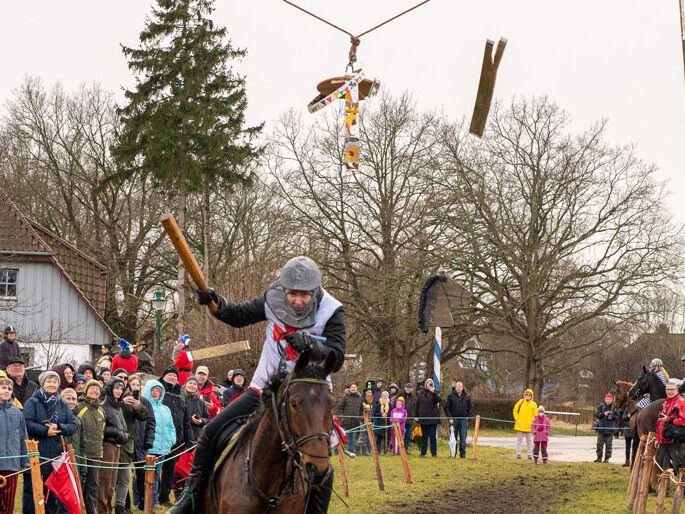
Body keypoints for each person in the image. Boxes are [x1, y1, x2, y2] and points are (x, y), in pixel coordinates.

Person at [169, 256, 346, 514]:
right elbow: (239, 315)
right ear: (284, 290)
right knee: (210, 433)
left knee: (321, 461)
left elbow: (338, 356)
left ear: (315, 292)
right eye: (293, 294)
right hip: (265, 388)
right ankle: (190, 499)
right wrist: (215, 303)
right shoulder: (272, 299)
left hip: (308, 394)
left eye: (304, 296)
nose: (298, 301)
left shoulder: (332, 310)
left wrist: (311, 345)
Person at [22, 370, 77, 514]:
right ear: (43, 383)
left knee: (51, 493)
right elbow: (26, 423)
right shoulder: (33, 402)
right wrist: (45, 431)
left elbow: (73, 424)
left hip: (55, 455)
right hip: (35, 453)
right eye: (49, 381)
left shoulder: (62, 404)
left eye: (55, 382)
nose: (52, 384)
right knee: (30, 491)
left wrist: (59, 427)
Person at [114, 370, 149, 514]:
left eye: (125, 379)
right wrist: (121, 403)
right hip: (113, 443)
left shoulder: (131, 399)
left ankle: (123, 507)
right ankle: (120, 505)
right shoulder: (110, 398)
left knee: (125, 478)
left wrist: (137, 405)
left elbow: (144, 415)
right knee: (114, 479)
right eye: (120, 378)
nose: (123, 380)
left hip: (128, 443)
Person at [98, 377, 130, 514]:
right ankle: (102, 510)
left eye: (121, 388)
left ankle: (108, 509)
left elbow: (123, 427)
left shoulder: (118, 407)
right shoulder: (103, 406)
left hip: (118, 447)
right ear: (110, 389)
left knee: (112, 482)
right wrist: (117, 433)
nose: (119, 391)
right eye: (116, 388)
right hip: (107, 446)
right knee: (105, 481)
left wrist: (125, 435)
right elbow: (100, 428)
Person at [144, 379, 176, 509]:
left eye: (158, 391)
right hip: (150, 448)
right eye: (153, 390)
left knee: (157, 475)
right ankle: (143, 500)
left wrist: (171, 441)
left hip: (163, 448)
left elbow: (171, 428)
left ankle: (154, 500)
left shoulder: (166, 409)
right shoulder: (145, 407)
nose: (155, 393)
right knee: (146, 475)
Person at [175, 376, 209, 496]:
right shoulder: (180, 398)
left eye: (195, 384)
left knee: (191, 469)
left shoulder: (200, 402)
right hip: (182, 438)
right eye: (190, 383)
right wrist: (189, 419)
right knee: (178, 470)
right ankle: (176, 494)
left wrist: (201, 422)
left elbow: (207, 418)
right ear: (186, 384)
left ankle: (189, 494)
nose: (192, 386)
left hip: (196, 438)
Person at [76, 380, 106, 514]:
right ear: (86, 390)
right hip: (81, 454)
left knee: (93, 486)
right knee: (80, 485)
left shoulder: (101, 411)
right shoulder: (79, 407)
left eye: (97, 389)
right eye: (92, 388)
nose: (95, 391)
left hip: (96, 454)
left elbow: (102, 432)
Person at [0, 377, 29, 514]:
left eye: (9, 389)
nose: (7, 391)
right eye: (3, 388)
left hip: (12, 463)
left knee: (8, 502)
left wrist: (25, 460)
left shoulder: (17, 412)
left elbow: (23, 437)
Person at [159, 366, 186, 507]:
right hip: (161, 439)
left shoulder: (181, 393)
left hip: (176, 440)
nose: (172, 377)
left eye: (174, 375)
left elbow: (184, 416)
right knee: (157, 470)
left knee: (170, 471)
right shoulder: (159, 390)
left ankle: (164, 497)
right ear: (163, 377)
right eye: (169, 375)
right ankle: (151, 497)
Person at [133, 375, 156, 511]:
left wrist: (149, 440)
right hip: (128, 443)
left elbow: (151, 422)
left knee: (143, 475)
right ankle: (126, 504)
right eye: (133, 385)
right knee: (123, 476)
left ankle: (144, 502)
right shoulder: (125, 400)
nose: (135, 388)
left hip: (142, 443)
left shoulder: (146, 402)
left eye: (137, 385)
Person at [656, 379, 685, 476]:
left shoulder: (681, 402)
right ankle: (663, 491)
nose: (670, 392)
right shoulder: (665, 403)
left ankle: (682, 489)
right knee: (662, 467)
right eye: (668, 390)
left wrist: (669, 419)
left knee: (680, 466)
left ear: (677, 390)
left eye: (672, 389)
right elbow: (660, 423)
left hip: (675, 441)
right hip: (663, 441)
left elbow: (684, 420)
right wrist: (657, 438)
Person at [444, 381, 472, 459]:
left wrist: (467, 416)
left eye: (460, 387)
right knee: (453, 438)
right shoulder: (450, 396)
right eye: (457, 387)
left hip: (463, 420)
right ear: (455, 387)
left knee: (463, 437)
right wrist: (449, 418)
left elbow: (470, 407)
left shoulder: (467, 396)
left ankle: (462, 455)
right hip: (453, 420)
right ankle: (453, 454)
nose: (459, 388)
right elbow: (447, 408)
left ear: (462, 388)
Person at [415, 379, 442, 457]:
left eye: (431, 384)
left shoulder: (435, 393)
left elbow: (439, 400)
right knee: (424, 437)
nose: (429, 385)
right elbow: (417, 406)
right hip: (423, 419)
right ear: (425, 385)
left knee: (432, 437)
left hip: (433, 419)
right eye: (428, 383)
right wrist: (416, 416)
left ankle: (434, 453)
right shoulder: (421, 394)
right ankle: (423, 453)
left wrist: (433, 392)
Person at [337, 381, 362, 455]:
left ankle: (351, 451)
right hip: (345, 421)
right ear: (349, 388)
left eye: (355, 387)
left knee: (352, 438)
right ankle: (337, 450)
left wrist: (360, 418)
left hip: (354, 422)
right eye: (352, 387)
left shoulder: (359, 398)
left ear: (357, 388)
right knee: (341, 436)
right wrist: (341, 417)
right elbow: (340, 407)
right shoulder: (345, 397)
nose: (353, 389)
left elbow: (361, 409)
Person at [513, 389, 538, 460]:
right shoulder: (520, 402)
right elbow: (515, 410)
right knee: (519, 440)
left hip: (529, 425)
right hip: (520, 424)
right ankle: (518, 453)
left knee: (529, 440)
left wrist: (534, 422)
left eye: (529, 395)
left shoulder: (534, 404)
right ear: (524, 395)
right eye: (526, 394)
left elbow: (535, 415)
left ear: (532, 396)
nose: (528, 396)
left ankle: (529, 454)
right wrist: (517, 419)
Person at [595, 393, 617, 463]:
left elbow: (617, 417)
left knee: (609, 446)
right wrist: (603, 414)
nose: (608, 400)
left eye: (609, 399)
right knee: (599, 444)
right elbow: (597, 415)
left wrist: (612, 416)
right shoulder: (601, 407)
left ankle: (607, 458)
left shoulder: (614, 407)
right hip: (601, 429)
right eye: (607, 399)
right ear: (605, 399)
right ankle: (599, 457)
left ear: (612, 400)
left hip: (610, 430)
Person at [373, 390, 392, 455]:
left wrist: (387, 414)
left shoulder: (390, 404)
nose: (384, 396)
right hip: (379, 423)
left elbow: (391, 413)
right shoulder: (378, 403)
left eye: (386, 395)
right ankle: (378, 451)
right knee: (379, 438)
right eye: (383, 395)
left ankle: (385, 451)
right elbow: (374, 413)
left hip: (387, 423)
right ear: (381, 396)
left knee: (387, 438)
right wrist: (381, 414)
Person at [402, 383, 417, 453]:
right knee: (401, 434)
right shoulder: (400, 396)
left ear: (412, 389)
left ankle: (405, 448)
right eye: (407, 387)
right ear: (404, 388)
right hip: (401, 419)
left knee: (408, 435)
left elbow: (416, 408)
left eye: (410, 388)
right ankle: (399, 449)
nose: (408, 389)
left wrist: (415, 416)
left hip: (410, 419)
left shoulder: (414, 397)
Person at [360, 386, 374, 456]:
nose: (369, 393)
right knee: (362, 435)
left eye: (371, 392)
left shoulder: (372, 401)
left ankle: (366, 451)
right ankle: (359, 451)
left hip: (371, 420)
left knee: (368, 435)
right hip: (363, 420)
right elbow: (362, 410)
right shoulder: (362, 400)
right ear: (365, 393)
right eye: (368, 392)